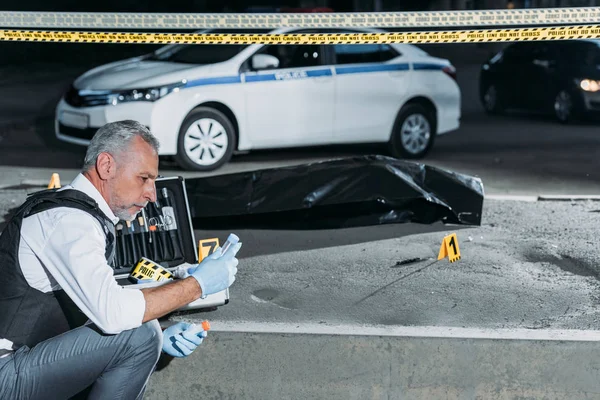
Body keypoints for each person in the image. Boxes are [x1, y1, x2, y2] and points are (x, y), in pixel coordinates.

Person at [0, 120, 240, 399]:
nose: (152, 193)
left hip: (21, 363)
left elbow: (94, 303)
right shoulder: (68, 222)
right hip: (7, 374)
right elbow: (112, 314)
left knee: (147, 334)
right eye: (144, 178)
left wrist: (162, 338)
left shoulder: (73, 213)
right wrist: (197, 285)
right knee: (140, 336)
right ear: (106, 166)